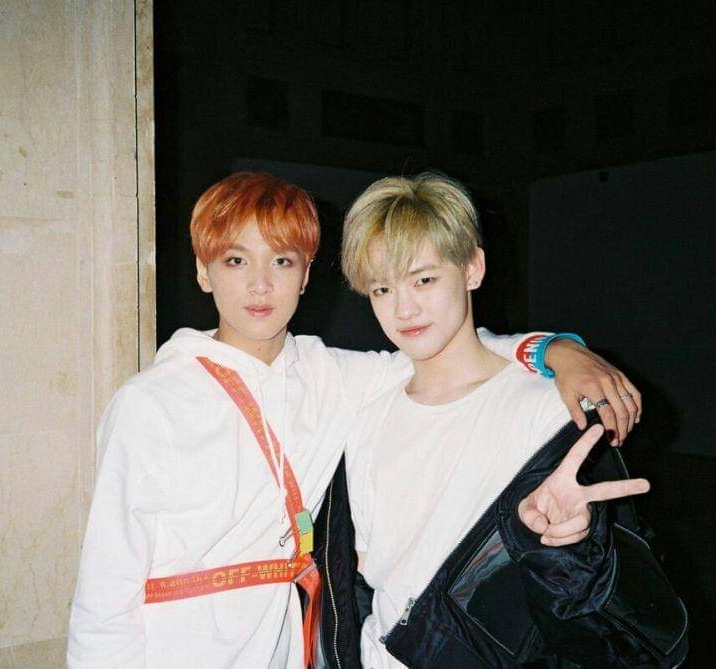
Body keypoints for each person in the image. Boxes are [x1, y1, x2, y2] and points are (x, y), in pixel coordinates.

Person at [66, 172, 642, 668]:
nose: (260, 284)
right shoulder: (151, 403)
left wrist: (555, 351)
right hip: (173, 648)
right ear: (203, 270)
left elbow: (440, 354)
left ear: (306, 274)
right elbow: (104, 589)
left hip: (287, 645)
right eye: (236, 260)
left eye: (282, 260)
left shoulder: (332, 376)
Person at [322, 172, 684, 668]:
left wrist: (568, 547)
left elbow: (601, 624)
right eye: (383, 288)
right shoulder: (368, 407)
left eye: (424, 279)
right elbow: (367, 576)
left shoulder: (549, 412)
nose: (404, 308)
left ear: (472, 267)